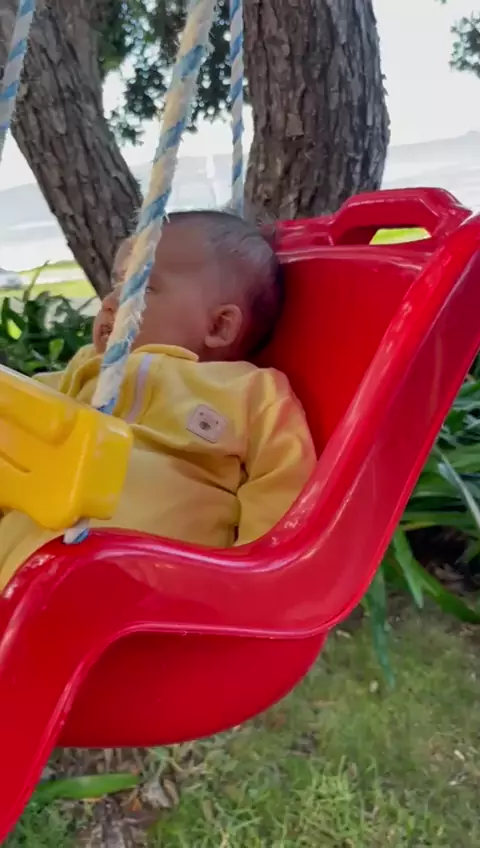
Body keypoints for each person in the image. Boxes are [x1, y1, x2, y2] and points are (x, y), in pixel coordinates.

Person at [0, 210, 316, 590]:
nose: (110, 301)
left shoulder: (251, 392)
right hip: (22, 571)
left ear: (219, 325)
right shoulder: (89, 368)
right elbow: (26, 415)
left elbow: (281, 489)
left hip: (149, 587)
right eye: (117, 283)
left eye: (142, 287)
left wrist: (248, 581)